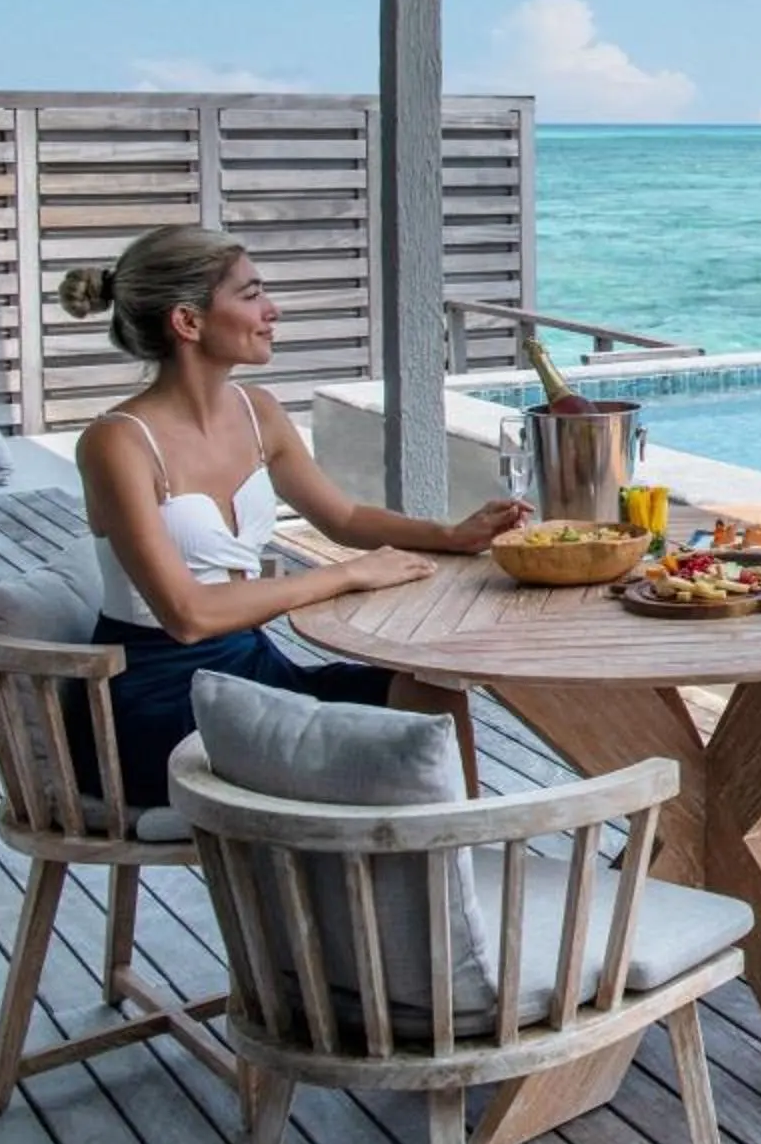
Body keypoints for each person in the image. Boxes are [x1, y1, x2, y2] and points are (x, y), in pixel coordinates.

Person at [61, 224, 527, 809]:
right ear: (188, 322)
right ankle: (396, 878)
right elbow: (187, 615)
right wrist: (345, 575)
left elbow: (344, 517)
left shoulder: (257, 411)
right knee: (387, 751)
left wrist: (452, 536)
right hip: (163, 706)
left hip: (252, 673)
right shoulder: (117, 444)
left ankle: (453, 870)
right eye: (251, 294)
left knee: (429, 695)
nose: (272, 310)